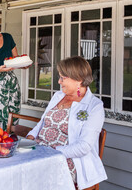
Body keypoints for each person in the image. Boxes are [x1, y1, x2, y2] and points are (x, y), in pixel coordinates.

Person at [26, 56, 107, 189]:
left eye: (63, 78)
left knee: (35, 174)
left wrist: (52, 151)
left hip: (67, 158)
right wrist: (30, 137)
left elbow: (84, 146)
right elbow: (42, 122)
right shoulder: (58, 96)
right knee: (14, 165)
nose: (59, 81)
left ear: (78, 80)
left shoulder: (94, 106)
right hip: (40, 151)